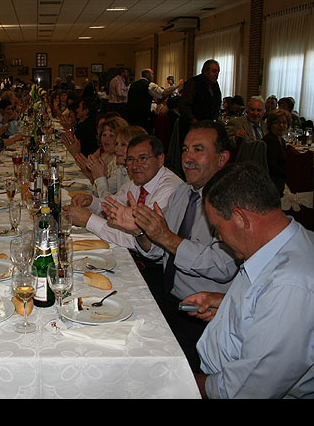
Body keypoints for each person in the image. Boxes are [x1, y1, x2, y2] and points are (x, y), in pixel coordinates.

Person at [184, 162, 314, 399]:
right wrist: (229, 306)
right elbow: (269, 306)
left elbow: (242, 391)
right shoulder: (288, 238)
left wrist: (178, 383)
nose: (221, 237)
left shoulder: (292, 286)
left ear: (240, 218)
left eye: (218, 228)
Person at [102, 120, 238, 372]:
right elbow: (157, 250)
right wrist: (140, 231)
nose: (188, 158)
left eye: (199, 150)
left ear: (222, 158)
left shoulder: (232, 203)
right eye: (186, 150)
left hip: (202, 316)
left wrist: (165, 237)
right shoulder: (183, 194)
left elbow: (222, 267)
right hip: (169, 298)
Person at [65, 134, 183, 251]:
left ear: (160, 159)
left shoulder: (170, 188)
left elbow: (136, 240)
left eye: (142, 158)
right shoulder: (139, 180)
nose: (135, 166)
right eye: (131, 160)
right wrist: (91, 202)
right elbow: (114, 204)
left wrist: (87, 220)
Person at [126, 68, 183, 132]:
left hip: (131, 115)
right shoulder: (150, 85)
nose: (153, 76)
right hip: (144, 117)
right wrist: (177, 86)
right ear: (147, 75)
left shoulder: (131, 85)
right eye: (152, 74)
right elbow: (163, 93)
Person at [178, 60, 222, 139]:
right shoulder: (193, 83)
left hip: (208, 127)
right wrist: (194, 121)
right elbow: (184, 105)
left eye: (218, 72)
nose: (216, 75)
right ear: (205, 71)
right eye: (214, 71)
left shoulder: (215, 85)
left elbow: (217, 102)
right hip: (192, 127)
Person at [262, 109, 290, 197]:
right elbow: (272, 166)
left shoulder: (281, 140)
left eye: (284, 123)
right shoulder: (270, 141)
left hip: (279, 178)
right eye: (277, 123)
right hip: (273, 182)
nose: (281, 125)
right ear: (270, 125)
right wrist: (289, 175)